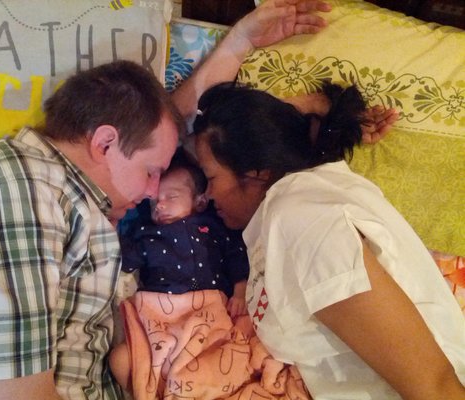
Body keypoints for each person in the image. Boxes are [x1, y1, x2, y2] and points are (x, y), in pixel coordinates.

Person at [0, 1, 334, 399]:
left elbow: (173, 128)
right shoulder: (16, 193)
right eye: (152, 172)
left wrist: (241, 43)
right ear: (105, 142)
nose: (153, 192)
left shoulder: (69, 197)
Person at [192, 81, 465, 400]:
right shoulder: (296, 205)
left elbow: (436, 386)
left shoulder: (305, 219)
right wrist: (303, 106)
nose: (206, 196)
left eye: (210, 178)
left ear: (258, 171)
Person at [110, 150, 250, 389]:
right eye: (154, 202)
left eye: (171, 196)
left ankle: (191, 384)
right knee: (120, 360)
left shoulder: (214, 227)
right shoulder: (146, 234)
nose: (160, 205)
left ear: (200, 201)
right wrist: (111, 227)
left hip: (210, 311)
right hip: (162, 315)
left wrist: (240, 291)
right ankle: (162, 387)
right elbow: (126, 259)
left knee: (225, 355)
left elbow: (236, 254)